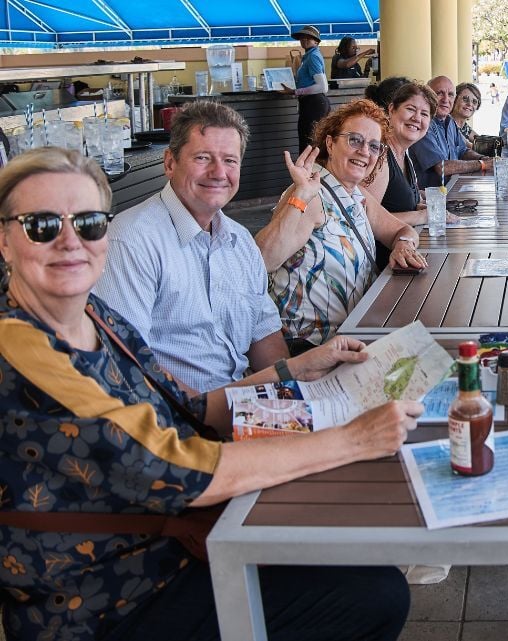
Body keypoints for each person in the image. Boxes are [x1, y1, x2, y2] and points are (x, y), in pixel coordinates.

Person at [0, 146, 421, 641]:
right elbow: (180, 467)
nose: (71, 241)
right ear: (5, 241)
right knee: (374, 596)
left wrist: (298, 368)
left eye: (90, 223)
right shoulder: (21, 349)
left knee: (358, 561)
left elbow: (193, 407)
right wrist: (354, 439)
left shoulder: (95, 316)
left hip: (172, 538)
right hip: (107, 597)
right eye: (42, 225)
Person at [94, 101, 286, 394]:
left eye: (230, 160)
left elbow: (264, 333)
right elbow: (127, 366)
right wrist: (220, 412)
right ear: (170, 163)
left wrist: (292, 393)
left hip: (243, 401)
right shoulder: (131, 241)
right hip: (179, 414)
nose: (218, 172)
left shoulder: (240, 240)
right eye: (203, 158)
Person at [256, 99, 427, 353]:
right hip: (310, 347)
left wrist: (403, 245)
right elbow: (262, 260)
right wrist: (300, 195)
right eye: (354, 140)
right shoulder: (313, 194)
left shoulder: (356, 194)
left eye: (374, 146)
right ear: (330, 143)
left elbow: (402, 231)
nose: (364, 152)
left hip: (354, 334)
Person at [362, 81, 456, 268]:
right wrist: (422, 216)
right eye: (410, 109)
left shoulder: (405, 154)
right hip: (385, 268)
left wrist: (428, 207)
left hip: (408, 255)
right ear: (391, 110)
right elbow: (365, 218)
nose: (416, 118)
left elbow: (398, 202)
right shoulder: (381, 157)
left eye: (424, 114)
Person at [410, 76, 492, 188]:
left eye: (450, 95)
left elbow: (463, 151)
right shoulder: (424, 124)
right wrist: (482, 164)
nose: (445, 99)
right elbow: (442, 167)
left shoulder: (449, 121)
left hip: (452, 189)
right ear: (427, 97)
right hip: (431, 196)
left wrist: (482, 158)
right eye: (439, 93)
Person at [281, 26, 330, 152]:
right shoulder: (309, 56)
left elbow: (322, 86)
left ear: (316, 41)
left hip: (314, 104)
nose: (304, 40)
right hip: (311, 104)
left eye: (309, 38)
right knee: (310, 144)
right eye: (302, 37)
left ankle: (310, 166)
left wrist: (295, 91)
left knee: (309, 146)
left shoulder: (313, 57)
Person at [451, 82, 482, 148]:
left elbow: (482, 141)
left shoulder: (464, 127)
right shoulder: (447, 123)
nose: (470, 104)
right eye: (465, 99)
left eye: (474, 102)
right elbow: (470, 146)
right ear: (454, 100)